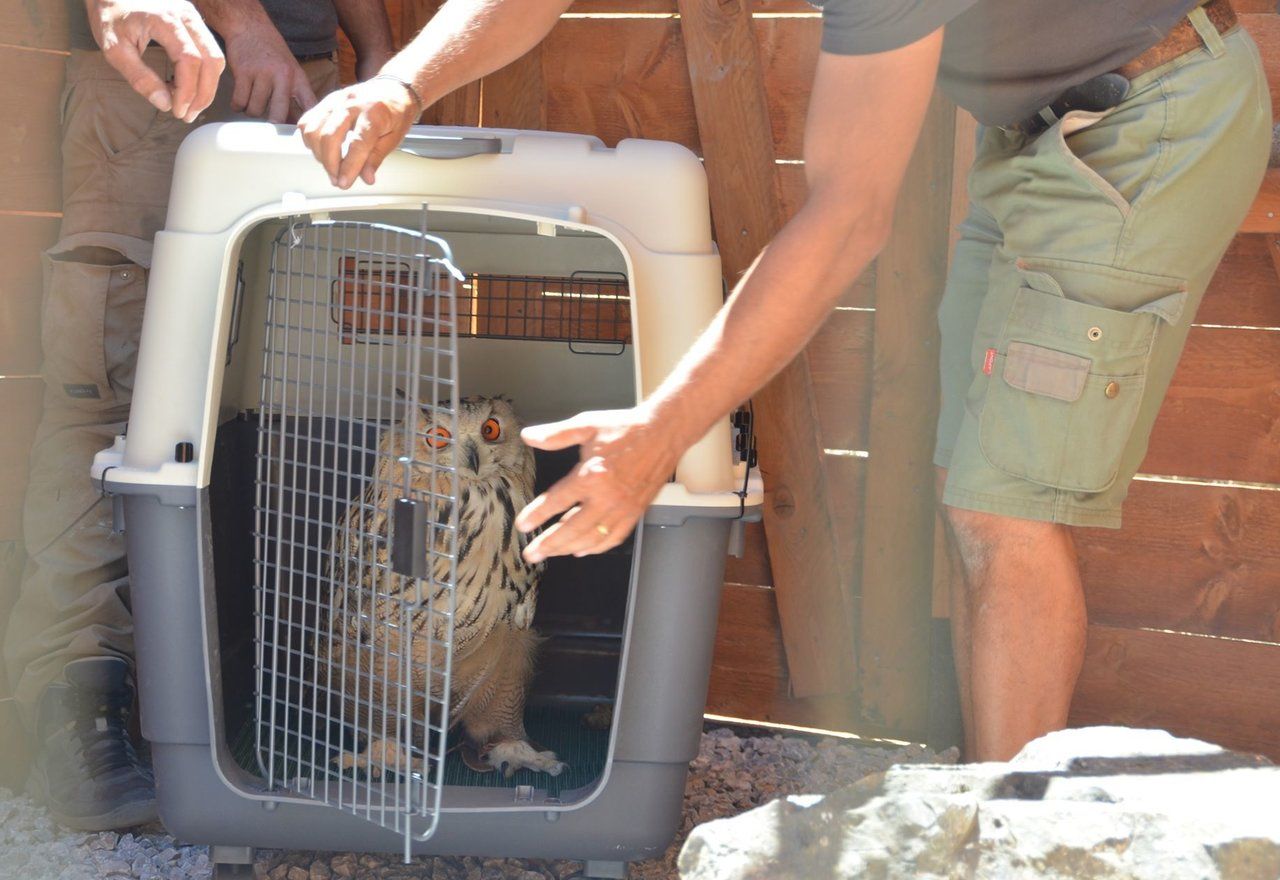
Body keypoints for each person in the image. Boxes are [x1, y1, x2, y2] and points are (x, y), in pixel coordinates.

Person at [297, 0, 1269, 762]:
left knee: (1001, 510)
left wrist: (657, 432)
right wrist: (402, 86)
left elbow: (848, 216)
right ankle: (990, 804)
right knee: (976, 499)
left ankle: (1006, 840)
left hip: (1145, 120)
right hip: (1036, 133)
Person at [5, 0, 394, 832]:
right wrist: (242, 23)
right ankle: (81, 705)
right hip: (164, 77)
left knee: (287, 397)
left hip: (305, 94)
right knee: (114, 403)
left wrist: (379, 53)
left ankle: (250, 698)